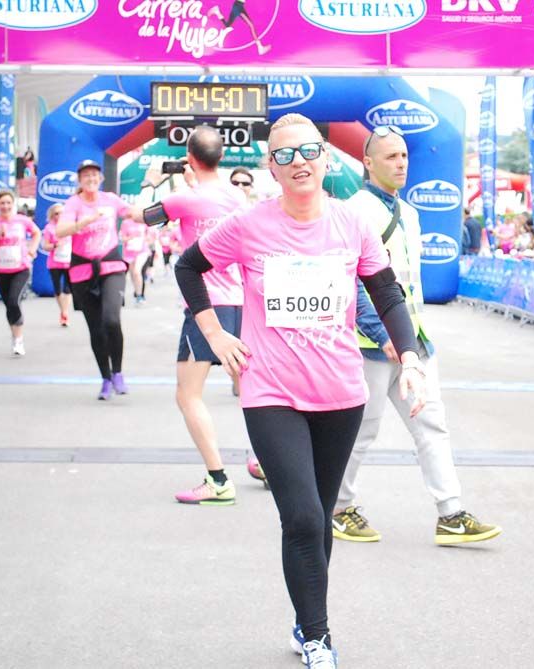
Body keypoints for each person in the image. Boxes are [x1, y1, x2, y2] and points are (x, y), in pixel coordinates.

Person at [174, 113, 426, 669]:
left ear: (326, 158)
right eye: (285, 155)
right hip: (271, 394)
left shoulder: (351, 224)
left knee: (320, 518)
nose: (299, 163)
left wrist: (408, 357)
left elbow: (387, 293)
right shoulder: (248, 225)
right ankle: (317, 637)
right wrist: (214, 333)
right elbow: (188, 267)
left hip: (341, 394)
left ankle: (305, 617)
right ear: (272, 166)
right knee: (305, 518)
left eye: (308, 151)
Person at [334, 125, 502, 546]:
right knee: (361, 431)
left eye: (404, 155)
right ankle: (338, 507)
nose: (401, 164)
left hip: (414, 343)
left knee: (432, 426)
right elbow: (351, 280)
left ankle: (451, 513)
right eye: (391, 157)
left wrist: (411, 341)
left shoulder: (408, 212)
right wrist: (380, 332)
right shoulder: (353, 212)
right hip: (370, 346)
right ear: (368, 162)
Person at [143, 126, 262, 504]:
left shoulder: (183, 199)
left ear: (190, 158)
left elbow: (144, 216)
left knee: (188, 394)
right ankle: (266, 462)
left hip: (204, 306)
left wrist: (152, 183)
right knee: (251, 390)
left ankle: (218, 479)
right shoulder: (237, 197)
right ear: (221, 157)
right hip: (241, 302)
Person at [56, 159, 142, 400]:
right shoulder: (73, 203)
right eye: (86, 176)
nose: (91, 179)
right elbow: (60, 231)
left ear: (101, 178)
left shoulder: (110, 199)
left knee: (111, 320)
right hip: (82, 271)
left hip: (111, 266)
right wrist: (87, 220)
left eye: (94, 175)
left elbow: (133, 213)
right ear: (80, 180)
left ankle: (118, 372)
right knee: (96, 328)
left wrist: (159, 210)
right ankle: (105, 378)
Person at [0, 191, 41, 355]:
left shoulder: (22, 220)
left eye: (8, 203)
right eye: (2, 203)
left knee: (14, 301)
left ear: (13, 204)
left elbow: (36, 232)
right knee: (9, 305)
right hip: (0, 270)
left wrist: (32, 249)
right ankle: (15, 336)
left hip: (21, 268)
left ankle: (19, 339)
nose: (5, 206)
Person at [40, 203, 73, 327]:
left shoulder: (70, 226)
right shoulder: (49, 228)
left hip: (69, 262)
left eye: (61, 213)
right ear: (52, 215)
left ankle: (65, 313)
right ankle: (63, 311)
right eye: (56, 213)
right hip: (55, 263)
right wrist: (55, 245)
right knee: (57, 290)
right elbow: (45, 246)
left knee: (68, 289)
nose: (59, 215)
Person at [119, 208, 150, 305]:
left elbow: (149, 235)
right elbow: (122, 238)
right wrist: (130, 238)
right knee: (132, 274)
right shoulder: (126, 223)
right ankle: (136, 291)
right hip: (129, 252)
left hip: (142, 251)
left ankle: (139, 295)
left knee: (137, 271)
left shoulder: (144, 222)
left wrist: (146, 239)